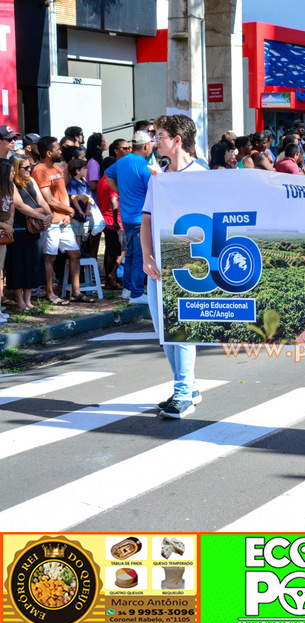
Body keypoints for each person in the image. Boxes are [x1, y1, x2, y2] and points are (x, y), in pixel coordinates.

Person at [141, 114, 206, 419]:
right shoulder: (159, 177)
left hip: (189, 265)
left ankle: (183, 393)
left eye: (161, 135)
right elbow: (147, 219)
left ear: (178, 140)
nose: (156, 140)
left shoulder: (200, 174)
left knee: (181, 326)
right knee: (165, 330)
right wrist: (146, 256)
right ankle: (188, 386)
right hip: (158, 265)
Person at [32, 136, 89, 304]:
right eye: (57, 149)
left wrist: (66, 214)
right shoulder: (39, 170)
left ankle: (76, 292)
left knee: (75, 253)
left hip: (63, 219)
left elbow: (62, 195)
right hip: (50, 222)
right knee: (50, 257)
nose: (61, 151)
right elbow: (47, 199)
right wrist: (69, 210)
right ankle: (50, 293)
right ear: (49, 152)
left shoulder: (57, 168)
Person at [105, 130, 155, 304]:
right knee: (140, 254)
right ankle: (136, 293)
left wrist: (120, 191)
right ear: (146, 146)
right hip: (141, 217)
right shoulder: (143, 165)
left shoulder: (121, 161)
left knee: (132, 253)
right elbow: (152, 190)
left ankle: (128, 289)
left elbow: (108, 173)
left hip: (127, 216)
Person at [7, 154, 48, 311]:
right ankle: (20, 302)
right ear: (16, 169)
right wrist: (41, 216)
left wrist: (48, 215)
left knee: (32, 264)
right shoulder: (11, 184)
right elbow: (19, 205)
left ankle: (28, 301)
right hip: (18, 228)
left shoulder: (31, 181)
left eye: (29, 166)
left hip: (33, 228)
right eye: (25, 167)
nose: (29, 169)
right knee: (18, 265)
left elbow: (41, 199)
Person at [96, 156, 123, 289]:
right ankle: (111, 275)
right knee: (122, 250)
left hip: (105, 219)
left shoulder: (101, 180)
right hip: (114, 221)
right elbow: (113, 201)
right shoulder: (111, 181)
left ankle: (109, 279)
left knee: (110, 251)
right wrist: (115, 219)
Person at [0, 158, 15, 319]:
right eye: (11, 171)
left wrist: (10, 221)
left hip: (5, 233)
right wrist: (4, 226)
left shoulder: (9, 187)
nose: (13, 174)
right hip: (2, 229)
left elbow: (11, 206)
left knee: (0, 272)